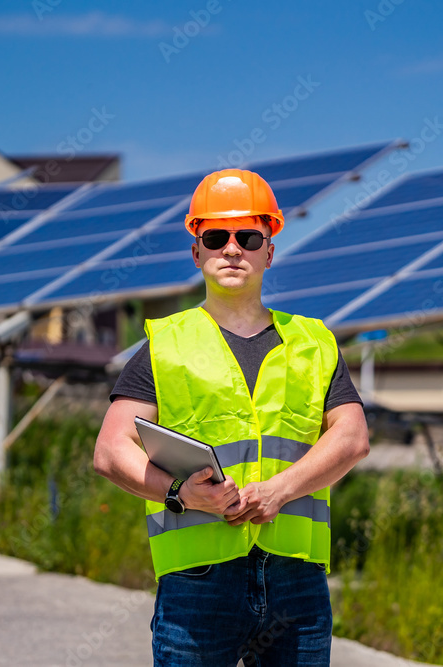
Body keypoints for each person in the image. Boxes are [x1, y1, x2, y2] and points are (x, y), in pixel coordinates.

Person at [93, 168, 370, 666]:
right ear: (196, 250)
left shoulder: (314, 342)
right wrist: (181, 494)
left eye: (248, 236)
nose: (232, 249)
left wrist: (279, 490)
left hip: (296, 580)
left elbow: (351, 439)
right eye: (216, 237)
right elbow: (111, 450)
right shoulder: (164, 345)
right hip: (198, 582)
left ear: (269, 249)